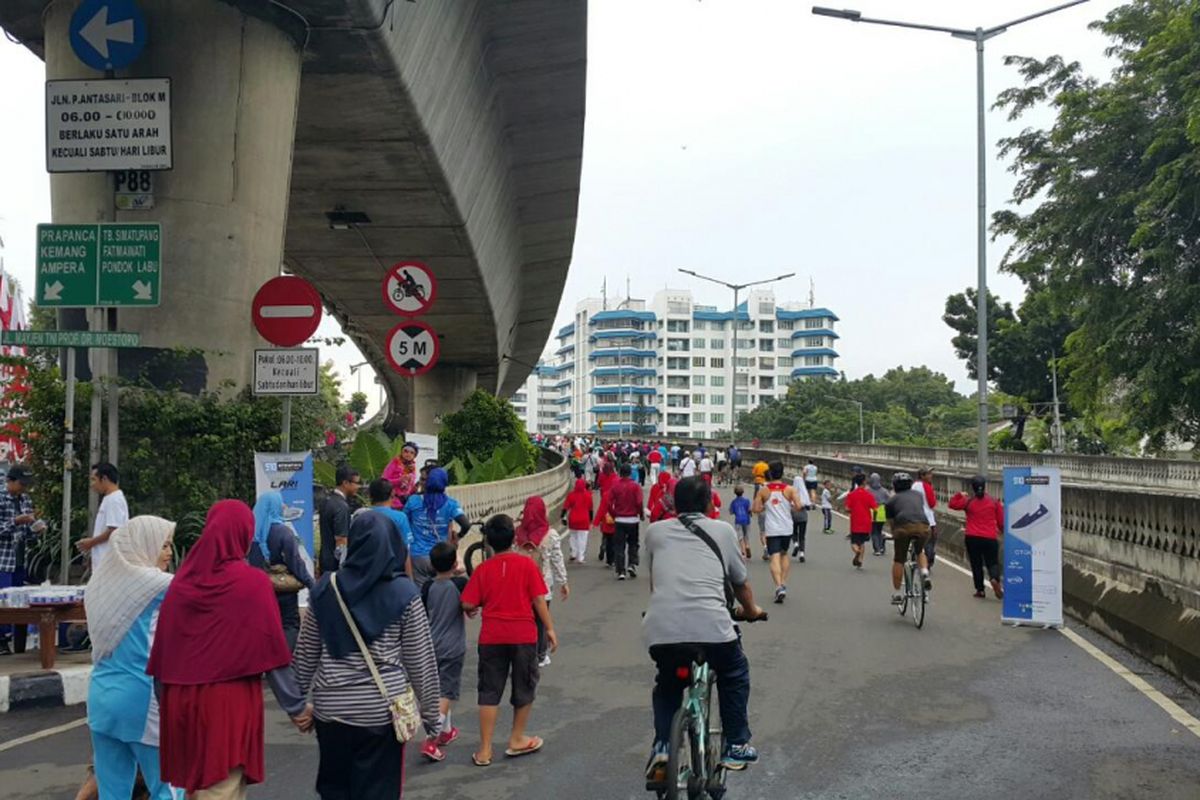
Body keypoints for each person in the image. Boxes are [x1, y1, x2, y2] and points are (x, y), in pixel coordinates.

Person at [147, 500, 309, 799]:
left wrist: (168, 705)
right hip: (227, 704)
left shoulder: (181, 584)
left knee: (196, 788)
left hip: (180, 701)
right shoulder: (252, 584)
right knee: (221, 788)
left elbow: (164, 651)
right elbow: (272, 653)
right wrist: (297, 708)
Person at [295, 512, 441, 798]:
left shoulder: (327, 587)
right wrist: (433, 717)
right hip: (380, 714)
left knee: (336, 790)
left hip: (331, 712)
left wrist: (296, 704)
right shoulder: (404, 594)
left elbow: (306, 652)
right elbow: (420, 661)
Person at [643, 477, 765, 783]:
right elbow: (740, 584)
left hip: (663, 627)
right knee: (734, 671)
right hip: (712, 626)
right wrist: (752, 612)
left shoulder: (655, 532)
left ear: (674, 503)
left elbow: (656, 583)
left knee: (668, 684)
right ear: (710, 503)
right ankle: (736, 743)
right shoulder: (722, 531)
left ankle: (662, 746)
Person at [84, 516, 177, 800]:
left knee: (112, 790)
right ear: (144, 545)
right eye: (164, 545)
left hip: (100, 696)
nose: (169, 554)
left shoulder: (98, 584)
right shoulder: (159, 585)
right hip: (140, 697)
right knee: (167, 786)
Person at [460, 514, 558, 767]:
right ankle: (516, 738)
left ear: (488, 542)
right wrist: (549, 629)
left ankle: (484, 750)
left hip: (492, 636)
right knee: (524, 685)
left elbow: (468, 602)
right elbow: (538, 600)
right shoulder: (526, 565)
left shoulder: (483, 569)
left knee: (489, 690)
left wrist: (475, 605)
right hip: (523, 635)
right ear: (514, 538)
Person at [419, 542, 469, 762]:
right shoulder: (459, 583)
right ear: (455, 563)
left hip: (431, 645)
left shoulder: (427, 587)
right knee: (447, 692)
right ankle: (431, 739)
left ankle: (446, 732)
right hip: (453, 646)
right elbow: (470, 604)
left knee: (437, 689)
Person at [249, 491, 317, 650]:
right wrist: (311, 583)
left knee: (265, 626)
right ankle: (284, 664)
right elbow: (295, 563)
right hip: (284, 591)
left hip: (259, 590)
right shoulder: (283, 533)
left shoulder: (251, 534)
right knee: (289, 625)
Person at [516, 496, 569, 667]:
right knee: (541, 619)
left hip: (521, 585)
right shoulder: (551, 534)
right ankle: (540, 654)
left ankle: (522, 652)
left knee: (524, 619)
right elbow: (557, 560)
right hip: (543, 585)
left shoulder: (518, 534)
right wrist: (563, 582)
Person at [403, 467, 470, 588]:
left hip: (418, 556)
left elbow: (403, 522)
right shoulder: (451, 504)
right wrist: (457, 538)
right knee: (443, 590)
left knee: (421, 592)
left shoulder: (413, 501)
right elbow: (466, 524)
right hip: (442, 556)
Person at [752, 461, 805, 603]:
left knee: (774, 556)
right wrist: (789, 508)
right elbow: (799, 506)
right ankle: (783, 583)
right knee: (784, 554)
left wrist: (765, 507)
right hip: (787, 527)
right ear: (782, 472)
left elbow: (755, 509)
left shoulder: (764, 490)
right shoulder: (790, 489)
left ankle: (778, 586)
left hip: (772, 528)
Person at [949, 476, 1005, 599]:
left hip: (972, 537)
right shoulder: (994, 501)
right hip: (989, 537)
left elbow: (951, 504)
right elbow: (1001, 522)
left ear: (972, 488)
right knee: (992, 562)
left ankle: (980, 590)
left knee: (976, 564)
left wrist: (959, 494)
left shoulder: (968, 501)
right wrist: (1002, 531)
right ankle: (994, 579)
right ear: (985, 486)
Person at [0, 464, 36, 654]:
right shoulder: (1, 499)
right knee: (3, 601)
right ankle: (2, 641)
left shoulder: (25, 500)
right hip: (3, 560)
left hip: (21, 558)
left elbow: (28, 533)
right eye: (21, 484)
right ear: (10, 481)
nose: (24, 488)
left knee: (20, 602)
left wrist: (35, 528)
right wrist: (15, 521)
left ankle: (19, 643)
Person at [884, 472, 932, 605]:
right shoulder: (918, 495)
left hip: (903, 527)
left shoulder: (891, 500)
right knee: (920, 550)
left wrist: (895, 535)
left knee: (899, 559)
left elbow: (892, 522)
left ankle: (898, 593)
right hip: (924, 526)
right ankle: (924, 572)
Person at [78, 462, 129, 572]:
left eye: (94, 479)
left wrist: (91, 543)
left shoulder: (114, 500)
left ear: (104, 479)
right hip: (103, 561)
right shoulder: (109, 498)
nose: (92, 484)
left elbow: (114, 530)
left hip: (109, 562)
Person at [365, 478, 414, 577]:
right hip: (394, 573)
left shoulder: (363, 517)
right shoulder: (400, 518)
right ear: (392, 494)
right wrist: (409, 580)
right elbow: (406, 551)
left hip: (370, 573)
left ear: (369, 495)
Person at [319, 465, 360, 573]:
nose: (358, 487)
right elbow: (341, 540)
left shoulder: (326, 501)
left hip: (324, 560)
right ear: (345, 483)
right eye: (356, 483)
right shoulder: (341, 506)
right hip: (335, 565)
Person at [608, 463, 645, 580]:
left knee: (619, 545)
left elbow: (609, 503)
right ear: (630, 473)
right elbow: (639, 502)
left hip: (619, 519)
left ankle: (621, 570)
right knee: (633, 543)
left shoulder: (615, 487)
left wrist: (614, 514)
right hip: (633, 519)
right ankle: (632, 564)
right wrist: (641, 514)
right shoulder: (635, 486)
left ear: (620, 472)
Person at [842, 474, 879, 569]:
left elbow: (846, 508)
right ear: (864, 482)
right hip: (866, 521)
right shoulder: (869, 495)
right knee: (862, 542)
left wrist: (853, 510)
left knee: (854, 542)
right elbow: (875, 508)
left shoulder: (851, 494)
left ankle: (856, 551)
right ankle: (860, 560)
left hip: (855, 521)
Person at [560, 478, 594, 564]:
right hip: (584, 519)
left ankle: (573, 553)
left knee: (573, 537)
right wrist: (591, 520)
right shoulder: (588, 495)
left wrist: (562, 516)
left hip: (573, 519)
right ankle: (580, 557)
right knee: (582, 539)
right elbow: (590, 509)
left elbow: (565, 507)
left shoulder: (571, 495)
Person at [912, 468, 939, 569]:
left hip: (916, 517)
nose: (931, 476)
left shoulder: (914, 485)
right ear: (922, 476)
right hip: (928, 519)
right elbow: (932, 503)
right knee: (930, 541)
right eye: (928, 474)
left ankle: (917, 559)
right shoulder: (926, 486)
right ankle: (928, 562)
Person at [381, 441, 421, 509]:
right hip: (393, 501)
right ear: (401, 452)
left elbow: (410, 485)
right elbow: (383, 481)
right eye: (406, 451)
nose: (408, 454)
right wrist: (399, 481)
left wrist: (415, 488)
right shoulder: (394, 463)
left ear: (415, 456)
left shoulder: (412, 467)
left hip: (407, 501)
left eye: (412, 453)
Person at [867, 473, 890, 556]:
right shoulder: (884, 491)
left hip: (872, 511)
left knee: (873, 531)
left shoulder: (868, 490)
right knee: (879, 530)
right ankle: (881, 545)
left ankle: (877, 549)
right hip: (882, 511)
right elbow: (889, 501)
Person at [729, 485, 752, 560]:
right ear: (743, 492)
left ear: (735, 493)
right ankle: (747, 546)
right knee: (746, 535)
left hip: (738, 520)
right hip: (746, 520)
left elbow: (731, 512)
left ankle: (743, 551)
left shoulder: (733, 502)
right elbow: (749, 510)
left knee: (740, 537)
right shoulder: (747, 501)